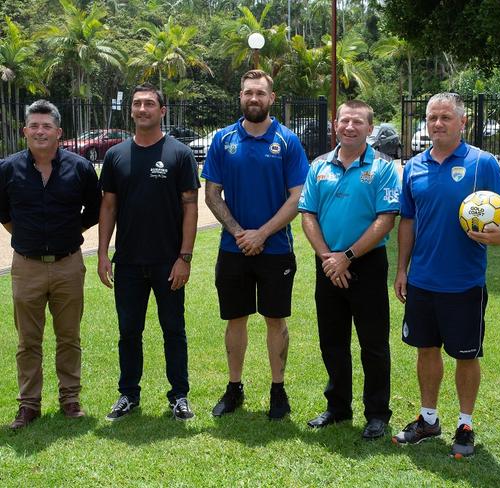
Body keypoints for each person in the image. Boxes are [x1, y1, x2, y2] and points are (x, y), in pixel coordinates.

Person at [392, 93, 500, 456]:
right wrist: (402, 269)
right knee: (425, 349)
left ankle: (465, 424)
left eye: (446, 117)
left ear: (463, 122)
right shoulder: (414, 166)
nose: (437, 124)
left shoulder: (483, 163)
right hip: (422, 281)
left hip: (464, 282)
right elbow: (408, 221)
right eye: (432, 118)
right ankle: (428, 419)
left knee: (466, 355)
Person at [202, 70, 309, 420]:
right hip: (233, 250)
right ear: (240, 96)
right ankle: (234, 388)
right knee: (236, 319)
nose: (254, 99)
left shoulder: (288, 141)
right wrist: (239, 233)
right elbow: (212, 194)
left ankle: (278, 390)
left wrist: (261, 234)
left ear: (271, 98)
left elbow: (297, 198)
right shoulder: (222, 139)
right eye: (248, 92)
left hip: (276, 248)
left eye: (260, 93)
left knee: (275, 319)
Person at [97, 83, 200, 421]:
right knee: (128, 332)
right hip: (127, 262)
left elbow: (190, 207)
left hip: (168, 262)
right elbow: (109, 207)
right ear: (131, 111)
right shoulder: (115, 156)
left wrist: (184, 257)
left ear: (162, 111)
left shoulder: (180, 154)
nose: (143, 109)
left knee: (174, 329)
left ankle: (179, 396)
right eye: (137, 104)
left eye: (149, 104)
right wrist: (101, 254)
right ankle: (128, 394)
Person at [299, 100, 400, 440]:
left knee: (373, 343)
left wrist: (348, 256)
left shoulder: (383, 168)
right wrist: (330, 257)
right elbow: (308, 214)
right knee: (332, 340)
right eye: (345, 120)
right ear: (336, 124)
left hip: (367, 264)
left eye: (358, 122)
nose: (350, 127)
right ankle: (338, 406)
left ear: (370, 129)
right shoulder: (319, 166)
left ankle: (377, 413)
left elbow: (386, 219)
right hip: (327, 264)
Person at [0, 100, 101, 429]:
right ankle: (29, 405)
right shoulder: (8, 169)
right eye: (34, 125)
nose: (40, 131)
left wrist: (71, 232)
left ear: (59, 132)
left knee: (68, 336)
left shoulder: (80, 168)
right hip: (25, 266)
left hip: (68, 265)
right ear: (24, 131)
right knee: (28, 340)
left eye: (47, 126)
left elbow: (96, 209)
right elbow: (3, 212)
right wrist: (27, 236)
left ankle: (70, 399)